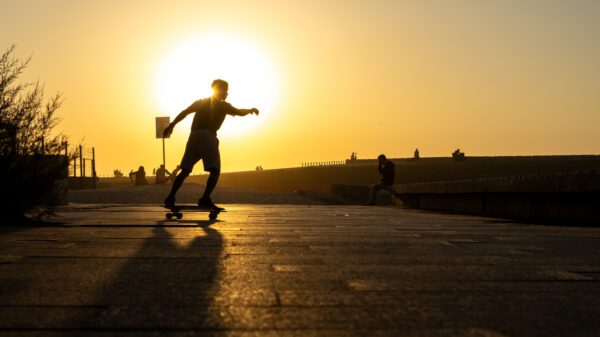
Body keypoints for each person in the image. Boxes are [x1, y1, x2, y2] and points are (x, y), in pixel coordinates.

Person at [163, 79, 259, 210]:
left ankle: (170, 197)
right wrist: (250, 110)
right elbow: (239, 112)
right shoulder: (223, 105)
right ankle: (205, 199)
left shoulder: (201, 102)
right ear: (219, 90)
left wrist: (171, 125)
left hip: (194, 136)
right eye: (225, 91)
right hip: (208, 137)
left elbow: (185, 112)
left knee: (185, 170)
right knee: (215, 170)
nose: (227, 94)